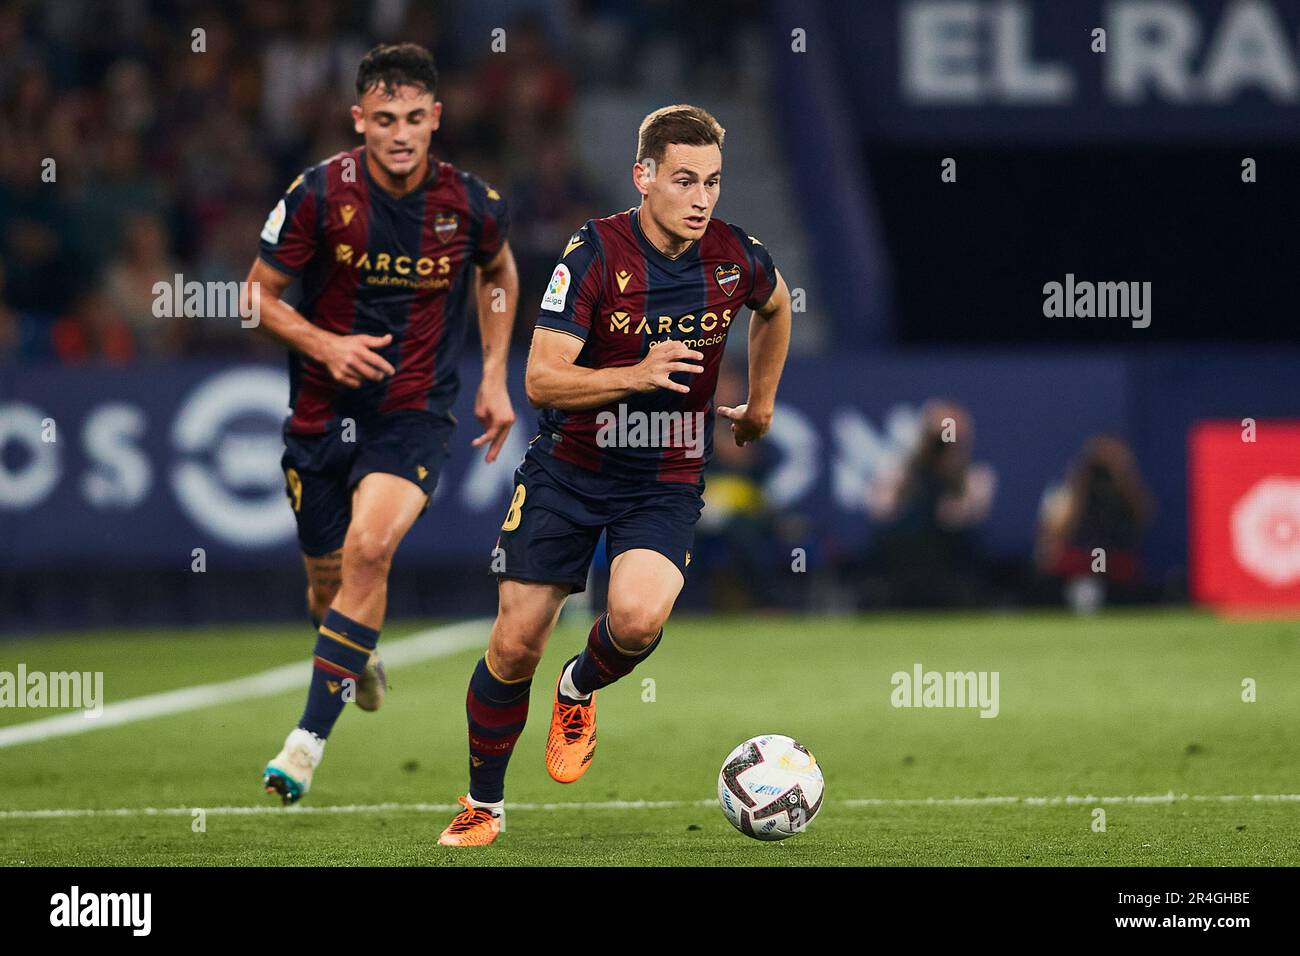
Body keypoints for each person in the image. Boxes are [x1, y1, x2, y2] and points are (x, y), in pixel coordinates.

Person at [436, 104, 793, 846]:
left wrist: (760, 405)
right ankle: (483, 806)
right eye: (685, 180)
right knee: (513, 643)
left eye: (714, 183)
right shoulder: (594, 254)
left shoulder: (733, 256)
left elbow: (777, 304)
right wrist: (636, 374)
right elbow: (541, 379)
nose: (702, 199)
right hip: (570, 468)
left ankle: (577, 689)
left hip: (664, 472)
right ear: (644, 177)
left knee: (635, 619)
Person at [245, 43, 518, 804]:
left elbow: (497, 271)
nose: (400, 134)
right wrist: (324, 342)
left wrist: (494, 375)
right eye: (384, 119)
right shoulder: (316, 195)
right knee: (326, 590)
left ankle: (304, 743)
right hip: (320, 417)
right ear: (359, 120)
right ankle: (354, 656)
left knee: (371, 550)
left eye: (414, 119)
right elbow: (257, 297)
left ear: (437, 118)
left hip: (414, 412)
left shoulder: (469, 204)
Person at [1036, 435, 1153, 612]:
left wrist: (1121, 475)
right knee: (1090, 560)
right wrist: (1079, 483)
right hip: (1083, 559)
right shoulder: (1072, 493)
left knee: (1102, 560)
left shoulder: (1124, 494)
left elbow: (1143, 515)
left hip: (1112, 560)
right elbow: (1057, 531)